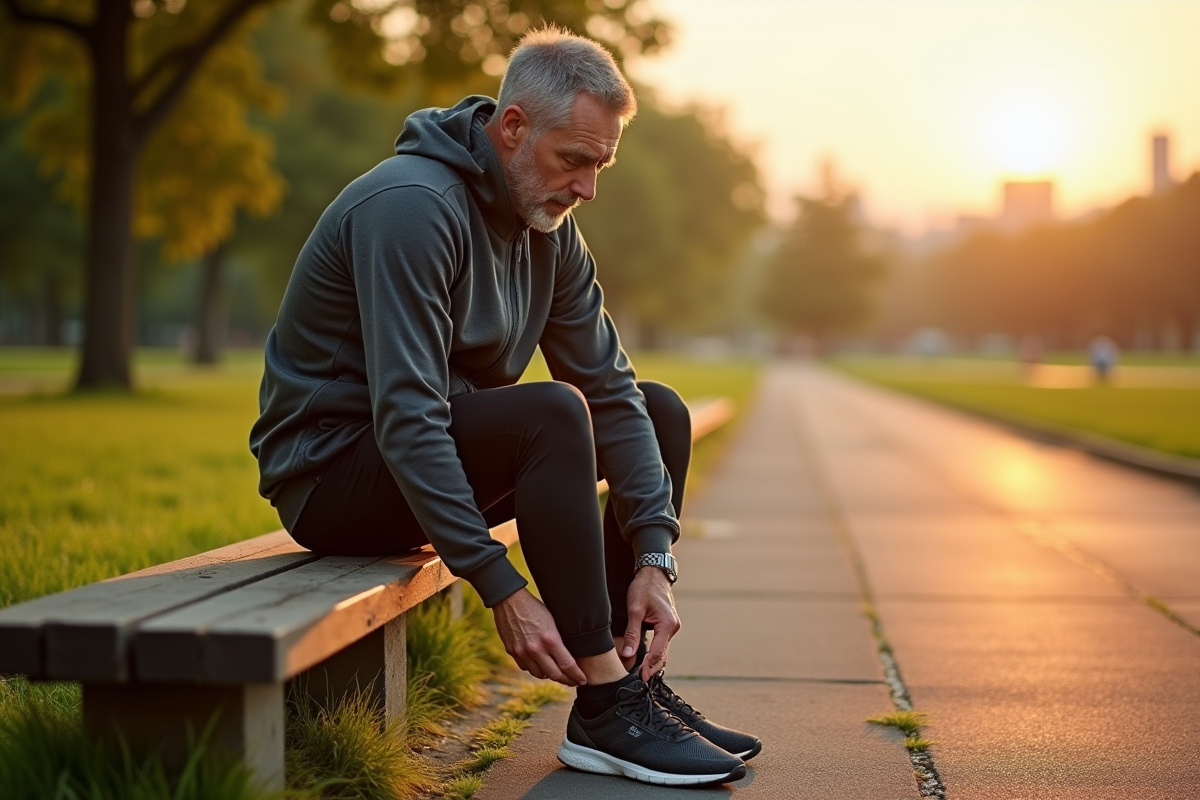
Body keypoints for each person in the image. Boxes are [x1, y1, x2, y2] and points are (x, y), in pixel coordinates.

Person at [250, 26, 760, 787]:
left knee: (656, 409)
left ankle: (628, 690)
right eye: (574, 160)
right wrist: (501, 587)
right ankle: (607, 701)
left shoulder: (549, 227)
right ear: (513, 127)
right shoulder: (411, 208)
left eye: (601, 165)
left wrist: (657, 557)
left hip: (425, 457)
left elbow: (613, 391)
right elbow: (407, 417)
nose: (587, 186)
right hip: (332, 477)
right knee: (552, 411)